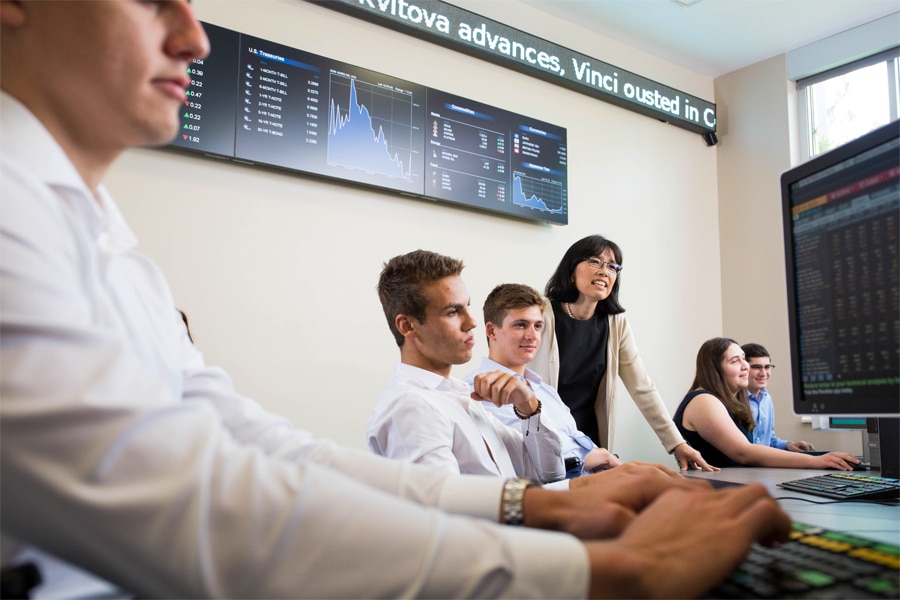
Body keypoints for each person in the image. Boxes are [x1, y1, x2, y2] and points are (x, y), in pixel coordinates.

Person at [0, 2, 793, 598]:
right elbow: (166, 493)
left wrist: (529, 508)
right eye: (149, 1)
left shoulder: (102, 233)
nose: (194, 36)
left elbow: (255, 446)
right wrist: (600, 571)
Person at [369, 253, 568, 484]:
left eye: (467, 307)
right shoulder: (410, 405)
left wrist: (529, 407)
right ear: (408, 326)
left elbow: (549, 473)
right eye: (453, 312)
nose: (472, 322)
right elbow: (447, 508)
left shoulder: (461, 394)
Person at [532, 234, 716, 471]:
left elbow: (642, 387)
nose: (604, 271)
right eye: (594, 261)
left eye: (612, 266)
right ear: (570, 270)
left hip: (589, 445)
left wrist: (678, 444)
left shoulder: (615, 323)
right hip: (545, 443)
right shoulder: (541, 314)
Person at [464, 283, 621, 477]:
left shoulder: (544, 389)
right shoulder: (479, 392)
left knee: (658, 478)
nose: (532, 336)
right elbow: (529, 459)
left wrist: (602, 457)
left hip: (597, 481)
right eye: (520, 325)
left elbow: (573, 437)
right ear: (491, 331)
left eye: (537, 326)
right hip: (561, 493)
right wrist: (585, 458)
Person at [673, 338, 859, 470]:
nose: (745, 366)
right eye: (735, 361)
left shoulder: (729, 401)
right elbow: (743, 452)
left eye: (744, 358)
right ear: (715, 370)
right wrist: (817, 461)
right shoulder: (704, 401)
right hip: (708, 492)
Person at [741, 343, 814, 452]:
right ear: (744, 368)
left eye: (767, 367)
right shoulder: (734, 400)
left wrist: (788, 445)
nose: (763, 373)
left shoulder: (767, 399)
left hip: (763, 464)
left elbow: (769, 439)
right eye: (757, 367)